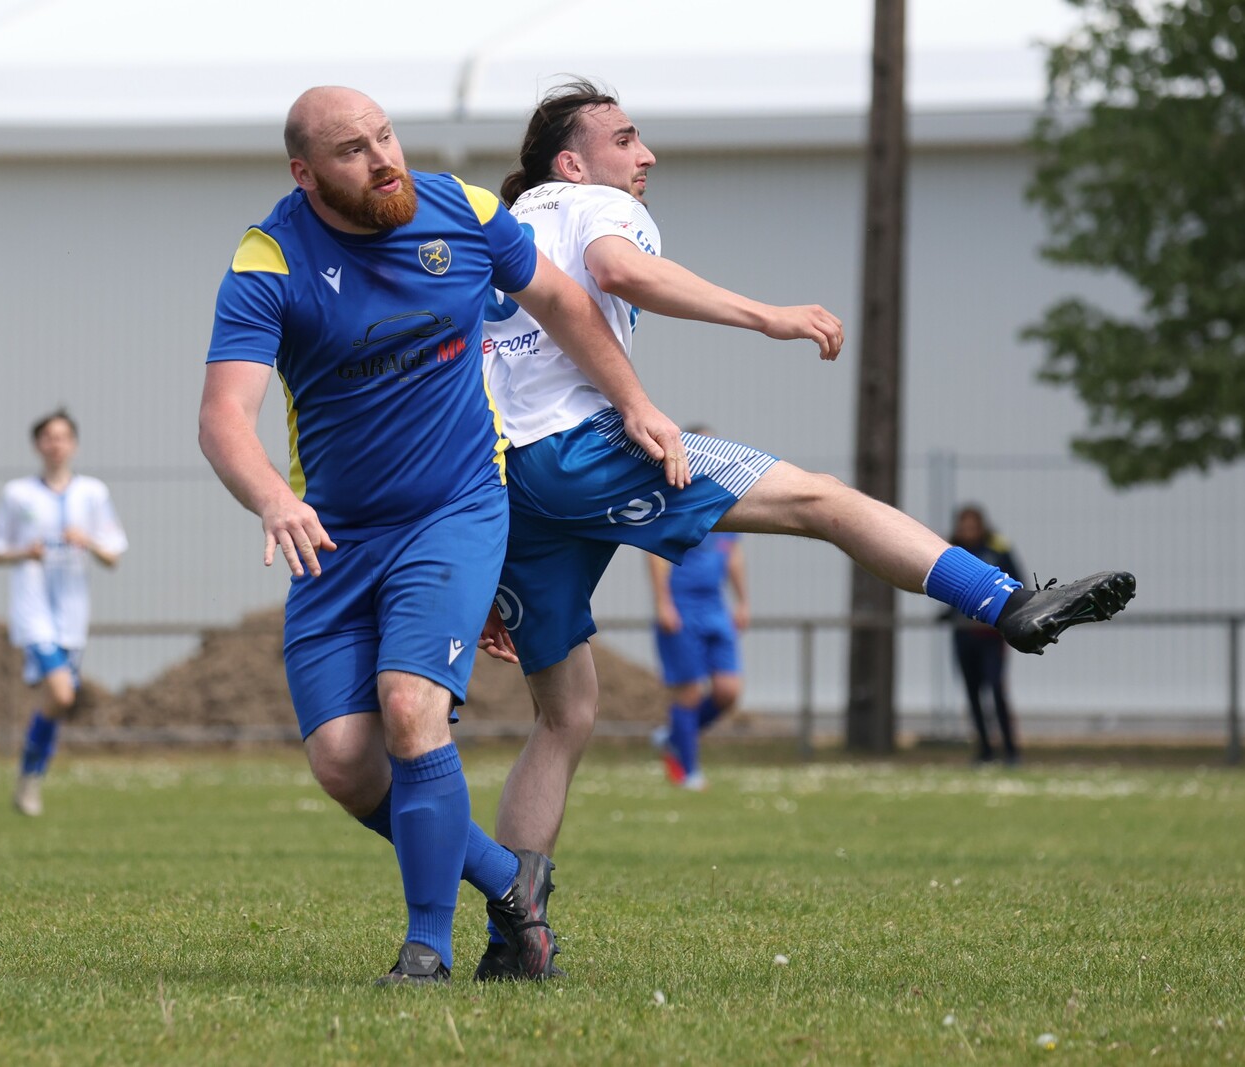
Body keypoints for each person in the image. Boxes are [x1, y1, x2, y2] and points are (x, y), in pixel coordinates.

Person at [478, 80, 1136, 960]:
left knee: (565, 714)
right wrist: (770, 316)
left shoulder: (499, 228)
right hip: (582, 447)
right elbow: (619, 272)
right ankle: (1005, 600)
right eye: (626, 138)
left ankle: (515, 935)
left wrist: (485, 558)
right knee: (823, 499)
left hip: (505, 480)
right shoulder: (597, 205)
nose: (646, 155)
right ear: (571, 162)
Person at [197, 86, 688, 984]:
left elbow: (563, 302)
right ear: (305, 173)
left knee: (409, 706)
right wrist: (272, 498)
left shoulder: (462, 208)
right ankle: (510, 885)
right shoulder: (271, 256)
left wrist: (634, 401)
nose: (383, 158)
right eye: (352, 151)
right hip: (335, 538)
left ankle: (427, 949)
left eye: (385, 136)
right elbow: (225, 414)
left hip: (454, 510)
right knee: (345, 764)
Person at [0, 409, 128, 817]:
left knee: (57, 702)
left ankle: (29, 778)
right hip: (33, 611)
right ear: (38, 445)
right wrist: (25, 552)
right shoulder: (18, 494)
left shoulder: (93, 493)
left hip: (73, 615)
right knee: (63, 693)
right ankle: (29, 778)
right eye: (49, 437)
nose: (56, 444)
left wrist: (89, 542)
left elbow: (113, 555)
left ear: (74, 444)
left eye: (63, 436)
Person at [646, 427, 748, 790]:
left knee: (728, 690)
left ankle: (674, 736)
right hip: (683, 606)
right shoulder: (676, 500)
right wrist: (664, 603)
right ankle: (688, 772)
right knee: (688, 692)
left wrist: (743, 601)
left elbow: (732, 555)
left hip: (715, 605)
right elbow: (656, 554)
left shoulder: (725, 500)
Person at [944, 505, 1024, 764]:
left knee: (996, 688)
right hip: (964, 634)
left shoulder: (998, 549)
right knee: (972, 692)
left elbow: (1016, 584)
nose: (968, 531)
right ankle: (984, 750)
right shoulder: (951, 551)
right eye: (963, 526)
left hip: (990, 635)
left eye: (972, 526)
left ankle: (1010, 750)